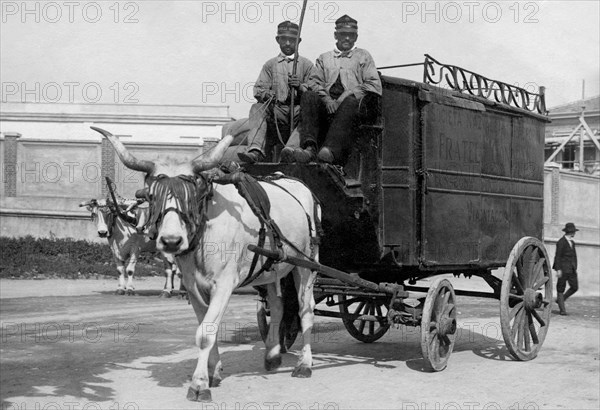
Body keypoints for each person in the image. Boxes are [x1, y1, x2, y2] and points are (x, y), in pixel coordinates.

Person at [280, 14, 382, 165]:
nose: (347, 39)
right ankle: (309, 148)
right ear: (336, 35)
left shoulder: (363, 56)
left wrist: (346, 94)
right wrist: (327, 100)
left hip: (351, 111)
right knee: (308, 95)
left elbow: (374, 84)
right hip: (328, 107)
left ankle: (329, 151)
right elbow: (314, 82)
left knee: (350, 102)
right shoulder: (324, 58)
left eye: (351, 35)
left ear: (356, 37)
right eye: (343, 35)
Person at [237, 21, 314, 164]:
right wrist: (266, 94)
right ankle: (255, 150)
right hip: (277, 112)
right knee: (257, 108)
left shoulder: (307, 65)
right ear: (277, 40)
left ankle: (291, 149)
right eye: (283, 39)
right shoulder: (270, 65)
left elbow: (315, 91)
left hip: (297, 111)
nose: (288, 43)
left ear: (299, 41)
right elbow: (258, 89)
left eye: (292, 40)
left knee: (308, 114)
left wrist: (301, 87)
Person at [553, 222, 579, 315]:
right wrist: (558, 269)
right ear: (570, 232)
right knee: (560, 288)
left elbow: (574, 256)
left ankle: (561, 299)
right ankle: (562, 310)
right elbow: (558, 256)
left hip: (571, 269)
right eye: (573, 232)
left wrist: (575, 266)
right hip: (563, 270)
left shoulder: (572, 243)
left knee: (575, 287)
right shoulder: (561, 242)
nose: (574, 233)